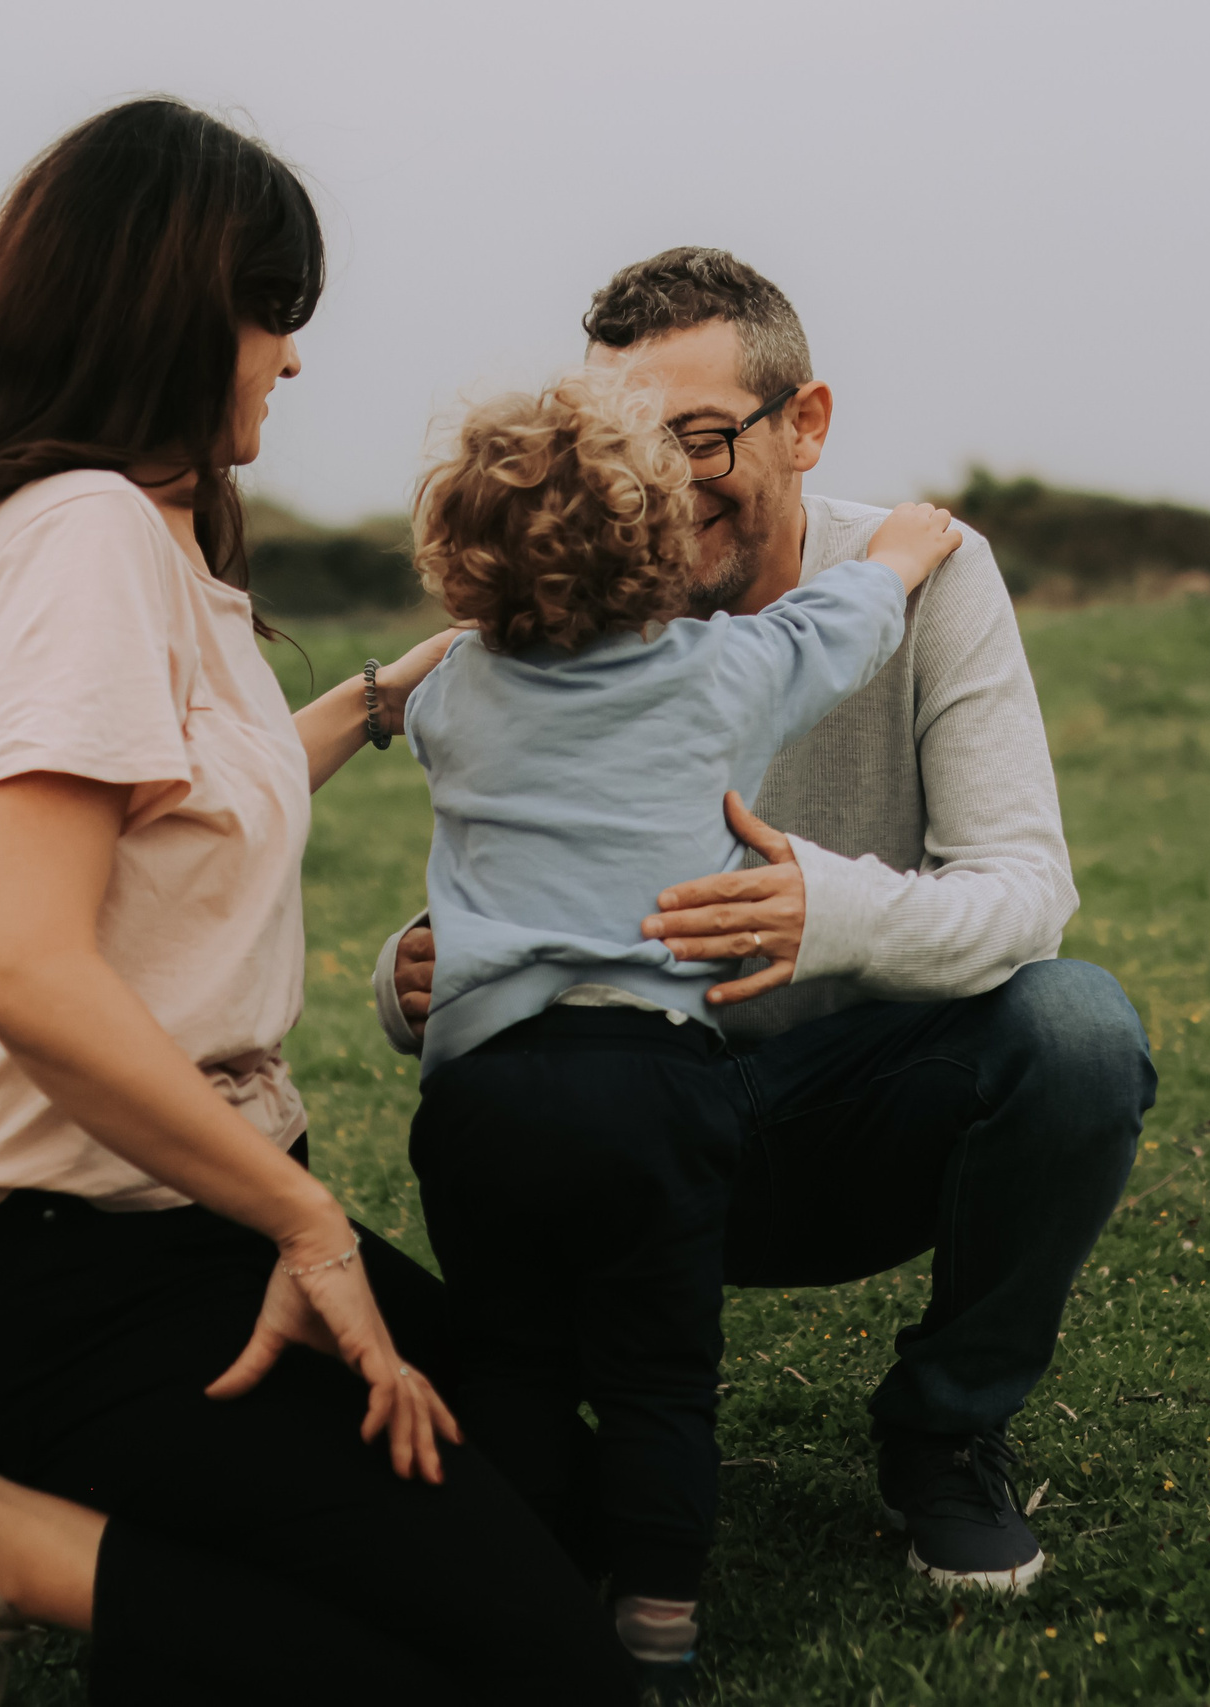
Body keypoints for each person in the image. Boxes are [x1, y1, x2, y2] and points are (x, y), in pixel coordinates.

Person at [0, 99, 629, 1707]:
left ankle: (103, 1506)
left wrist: (390, 694)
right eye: (271, 313)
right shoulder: (86, 541)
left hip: (176, 1215)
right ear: (172, 309)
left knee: (550, 1478)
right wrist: (302, 1219)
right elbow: (23, 967)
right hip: (68, 1259)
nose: (290, 361)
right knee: (534, 1672)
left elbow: (188, 806)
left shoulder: (114, 537)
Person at [376, 248, 1157, 1594]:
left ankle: (945, 1437)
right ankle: (555, 1476)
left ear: (805, 425)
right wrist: (410, 974)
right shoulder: (566, 601)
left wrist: (826, 909)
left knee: (1078, 1030)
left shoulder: (921, 581)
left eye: (698, 437)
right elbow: (500, 859)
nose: (664, 484)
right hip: (624, 1120)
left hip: (851, 1114)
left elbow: (1029, 890)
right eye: (631, 445)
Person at [396, 366, 963, 1693]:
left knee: (514, 1363)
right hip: (652, 1086)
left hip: (483, 1095)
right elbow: (850, 620)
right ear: (664, 543)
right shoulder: (729, 671)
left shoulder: (455, 698)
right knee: (659, 1379)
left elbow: (420, 700)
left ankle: (529, 1615)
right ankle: (655, 1631)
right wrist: (904, 549)